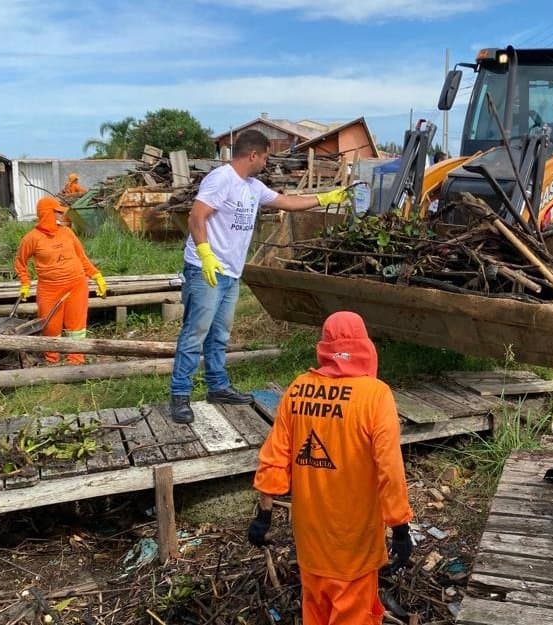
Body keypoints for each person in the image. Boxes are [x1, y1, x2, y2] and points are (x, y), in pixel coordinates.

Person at [170, 130, 350, 424]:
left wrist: (325, 197)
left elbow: (287, 202)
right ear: (252, 154)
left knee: (219, 335)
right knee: (195, 334)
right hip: (206, 270)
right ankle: (180, 396)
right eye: (265, 156)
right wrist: (205, 254)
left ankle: (218, 387)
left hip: (230, 273)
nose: (266, 163)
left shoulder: (252, 186)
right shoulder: (221, 179)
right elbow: (196, 216)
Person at [248, 310, 413, 625]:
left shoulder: (298, 390)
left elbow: (273, 457)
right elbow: (389, 469)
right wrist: (400, 528)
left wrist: (263, 517)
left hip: (311, 543)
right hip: (355, 545)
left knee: (316, 612)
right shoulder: (375, 396)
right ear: (364, 345)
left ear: (324, 345)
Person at [15, 197, 106, 365]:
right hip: (49, 289)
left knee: (76, 327)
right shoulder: (31, 238)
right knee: (50, 327)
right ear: (45, 214)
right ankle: (52, 360)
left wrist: (96, 275)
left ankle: (76, 360)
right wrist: (25, 283)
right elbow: (20, 262)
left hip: (77, 285)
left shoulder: (67, 232)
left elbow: (81, 258)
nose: (59, 215)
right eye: (55, 212)